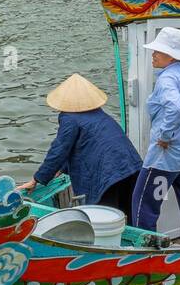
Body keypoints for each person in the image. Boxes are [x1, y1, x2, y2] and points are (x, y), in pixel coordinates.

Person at [17, 74, 141, 212]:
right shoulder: (99, 114)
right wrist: (61, 169)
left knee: (103, 217)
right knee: (124, 216)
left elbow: (59, 150)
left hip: (108, 173)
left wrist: (36, 179)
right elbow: (82, 144)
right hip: (130, 166)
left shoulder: (69, 118)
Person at [131, 27, 180, 245]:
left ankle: (144, 253)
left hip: (166, 160)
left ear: (170, 56)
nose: (153, 55)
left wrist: (165, 135)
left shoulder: (168, 78)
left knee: (145, 204)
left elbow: (175, 109)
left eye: (157, 51)